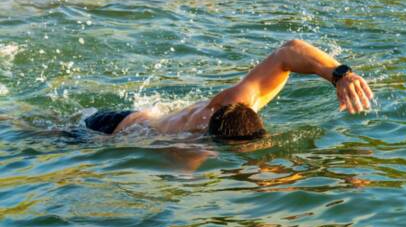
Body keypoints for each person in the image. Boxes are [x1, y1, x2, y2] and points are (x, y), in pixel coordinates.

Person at [85, 39, 374, 140]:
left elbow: (290, 51)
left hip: (143, 115)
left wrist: (339, 75)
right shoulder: (190, 149)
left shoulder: (238, 101)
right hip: (113, 129)